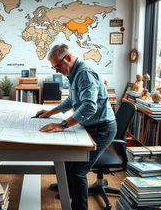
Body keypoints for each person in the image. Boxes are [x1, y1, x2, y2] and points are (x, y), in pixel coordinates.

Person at [35, 44, 117, 210]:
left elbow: (89, 107)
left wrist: (62, 125)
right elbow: (72, 101)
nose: (56, 70)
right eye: (54, 67)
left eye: (58, 65)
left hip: (102, 129)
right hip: (89, 125)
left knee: (78, 170)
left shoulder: (84, 74)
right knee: (66, 158)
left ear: (69, 58)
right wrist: (50, 112)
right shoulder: (73, 73)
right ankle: (69, 189)